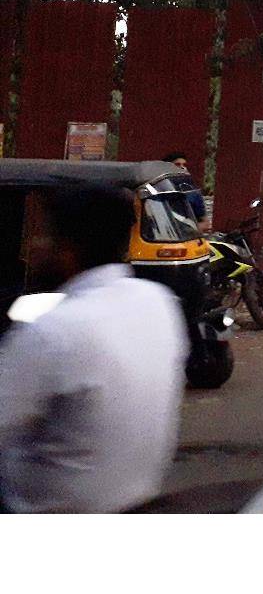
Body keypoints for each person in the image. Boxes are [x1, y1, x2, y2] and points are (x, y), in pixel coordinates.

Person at [0, 184, 188, 512]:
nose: (33, 247)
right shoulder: (157, 303)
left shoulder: (53, 330)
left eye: (43, 237)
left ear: (68, 250)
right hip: (136, 503)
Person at [162, 151, 211, 233]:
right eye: (177, 164)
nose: (182, 167)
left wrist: (188, 231)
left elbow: (205, 223)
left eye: (184, 165)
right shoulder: (156, 190)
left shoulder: (193, 193)